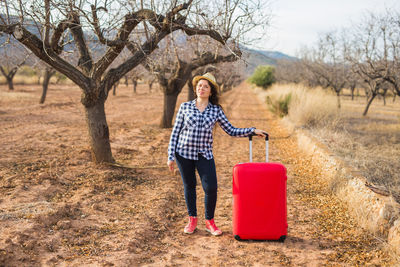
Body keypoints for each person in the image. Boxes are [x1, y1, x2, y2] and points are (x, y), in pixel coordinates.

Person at [167, 72, 267, 236]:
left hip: (204, 154)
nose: (202, 88)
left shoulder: (216, 111)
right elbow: (175, 133)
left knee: (211, 188)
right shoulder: (185, 107)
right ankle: (192, 220)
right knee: (189, 186)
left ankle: (209, 222)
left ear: (211, 91)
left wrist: (252, 130)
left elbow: (231, 130)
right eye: (199, 85)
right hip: (183, 154)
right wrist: (170, 156)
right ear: (196, 89)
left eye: (206, 86)